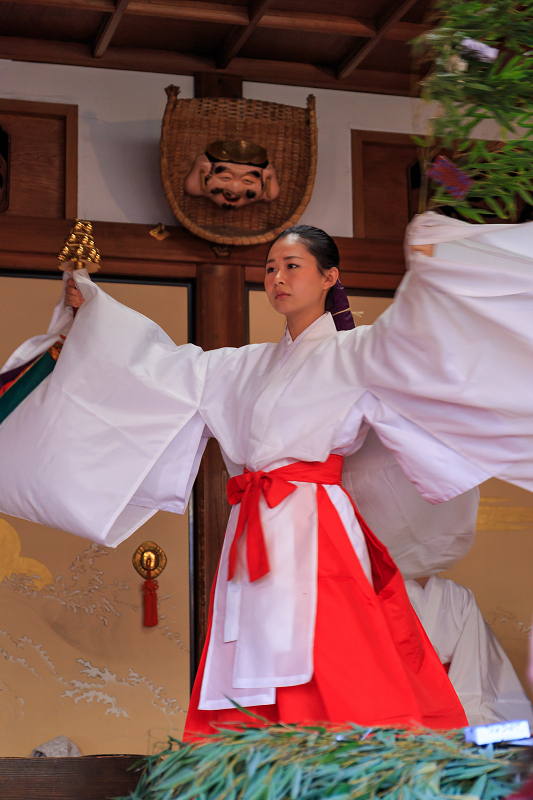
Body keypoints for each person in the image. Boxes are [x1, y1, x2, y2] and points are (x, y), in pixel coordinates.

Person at [1, 214, 533, 737]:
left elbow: (436, 364)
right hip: (253, 521)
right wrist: (92, 312)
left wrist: (435, 263)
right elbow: (158, 369)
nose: (277, 277)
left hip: (317, 523)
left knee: (330, 648)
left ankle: (341, 761)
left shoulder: (359, 350)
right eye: (270, 266)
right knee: (249, 646)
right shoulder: (241, 365)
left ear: (329, 277)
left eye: (292, 265)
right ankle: (252, 755)